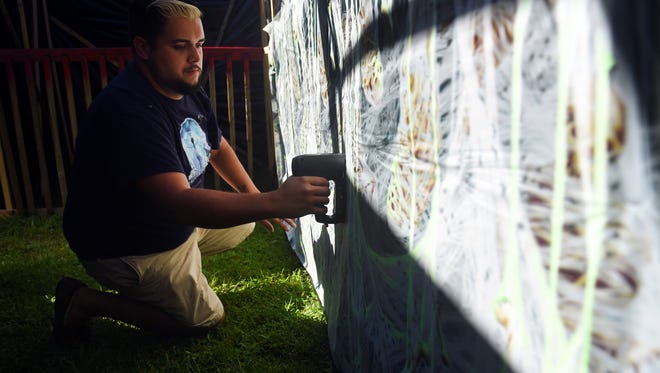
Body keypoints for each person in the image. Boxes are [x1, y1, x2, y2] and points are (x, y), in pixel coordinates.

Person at [54, 0, 330, 343]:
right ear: (143, 47)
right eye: (179, 46)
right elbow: (180, 203)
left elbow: (216, 145)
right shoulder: (128, 111)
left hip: (162, 223)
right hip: (125, 245)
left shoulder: (183, 88)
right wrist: (274, 201)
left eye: (198, 44)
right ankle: (84, 301)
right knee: (202, 321)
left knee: (244, 218)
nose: (196, 56)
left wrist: (253, 194)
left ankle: (181, 274)